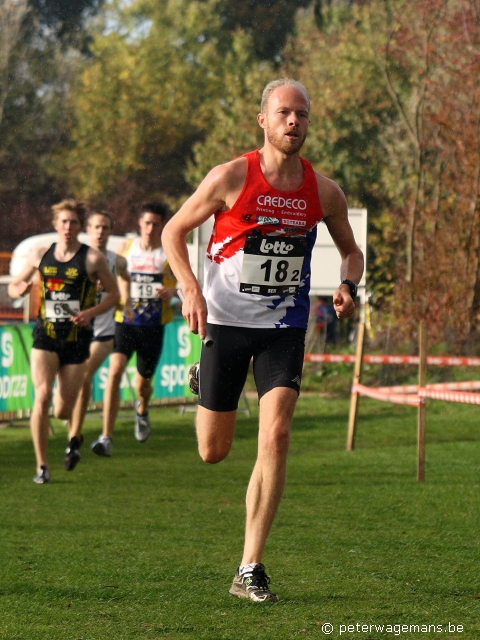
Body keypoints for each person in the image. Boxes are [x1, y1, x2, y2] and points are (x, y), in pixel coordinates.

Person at [162, 78, 364, 602]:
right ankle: (202, 380)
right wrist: (188, 286)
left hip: (284, 327)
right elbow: (172, 231)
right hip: (225, 323)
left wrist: (347, 284)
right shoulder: (231, 175)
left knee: (275, 435)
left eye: (302, 114)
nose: (294, 122)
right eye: (284, 113)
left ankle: (249, 566)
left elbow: (351, 251)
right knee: (214, 451)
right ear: (264, 120)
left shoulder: (323, 192)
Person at [8, 200, 120, 483]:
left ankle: (74, 435)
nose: (68, 227)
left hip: (76, 340)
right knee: (42, 396)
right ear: (55, 224)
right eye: (64, 222)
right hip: (45, 336)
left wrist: (91, 313)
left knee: (62, 411)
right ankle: (42, 466)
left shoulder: (93, 258)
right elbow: (13, 285)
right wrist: (18, 288)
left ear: (80, 227)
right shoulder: (39, 254)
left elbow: (115, 295)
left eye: (73, 222)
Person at [90, 202, 177, 457]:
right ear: (139, 223)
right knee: (114, 371)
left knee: (142, 385)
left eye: (156, 224)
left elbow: (185, 282)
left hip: (152, 327)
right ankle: (106, 436)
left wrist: (173, 291)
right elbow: (109, 277)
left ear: (162, 226)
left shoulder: (169, 252)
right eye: (146, 223)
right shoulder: (125, 249)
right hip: (124, 322)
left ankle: (142, 410)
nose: (150, 228)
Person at [64, 211, 132, 471]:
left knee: (84, 375)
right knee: (74, 383)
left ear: (110, 231)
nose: (100, 232)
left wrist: (127, 303)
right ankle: (76, 434)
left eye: (105, 227)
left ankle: (74, 440)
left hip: (104, 333)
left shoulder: (118, 260)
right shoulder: (76, 258)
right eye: (96, 227)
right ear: (87, 230)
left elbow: (126, 278)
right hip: (75, 332)